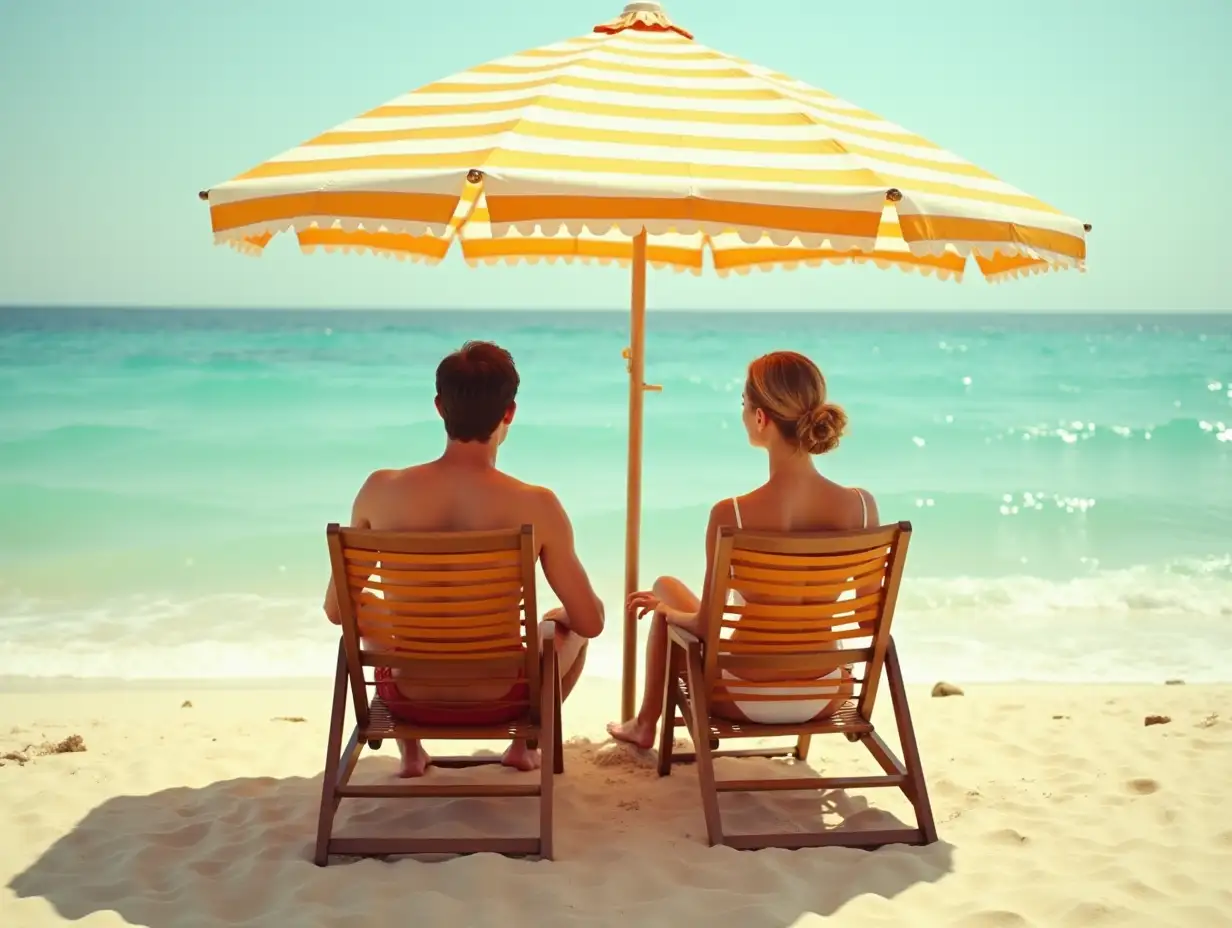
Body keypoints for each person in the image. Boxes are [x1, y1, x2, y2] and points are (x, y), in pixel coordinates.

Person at [324, 341, 604, 777]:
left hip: (407, 699)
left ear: (439, 407)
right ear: (509, 411)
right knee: (565, 628)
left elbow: (337, 610)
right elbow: (591, 624)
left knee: (373, 608)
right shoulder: (538, 505)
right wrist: (561, 613)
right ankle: (522, 745)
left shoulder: (380, 491)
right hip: (505, 699)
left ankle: (411, 751)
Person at [607, 350, 880, 750]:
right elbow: (865, 620)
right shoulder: (861, 506)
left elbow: (704, 627)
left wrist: (665, 613)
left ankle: (644, 724)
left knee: (665, 590)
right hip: (825, 695)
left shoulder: (731, 514)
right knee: (668, 594)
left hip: (744, 697)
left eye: (744, 404)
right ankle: (645, 723)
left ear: (760, 418)